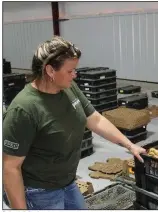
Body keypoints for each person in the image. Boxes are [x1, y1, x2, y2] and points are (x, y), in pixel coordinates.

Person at [3, 36, 146, 210]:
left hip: (68, 182)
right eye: (70, 71)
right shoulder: (24, 109)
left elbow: (95, 119)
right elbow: (10, 167)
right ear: (50, 71)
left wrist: (130, 145)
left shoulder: (68, 88)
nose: (75, 75)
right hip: (40, 191)